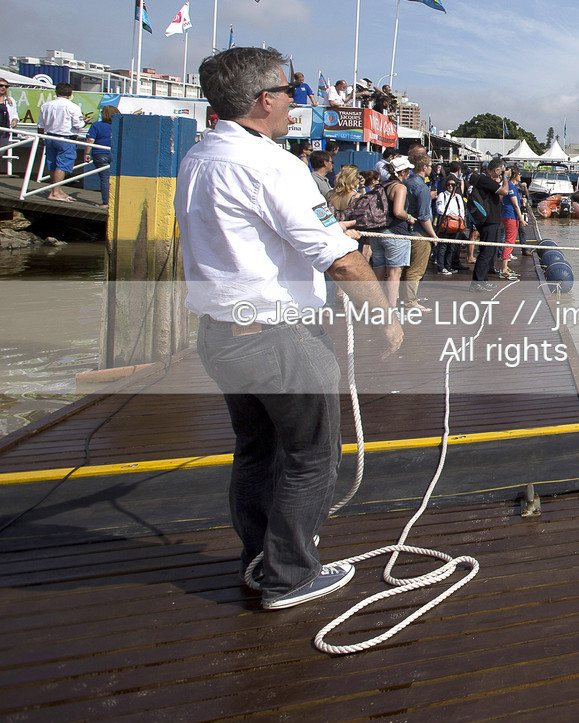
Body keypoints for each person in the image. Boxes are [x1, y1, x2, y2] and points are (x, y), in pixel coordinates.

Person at [174, 46, 400, 611]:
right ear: (261, 100)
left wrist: (324, 229)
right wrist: (384, 315)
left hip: (221, 334)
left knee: (255, 453)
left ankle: (260, 558)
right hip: (280, 337)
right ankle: (289, 575)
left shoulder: (200, 156)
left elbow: (247, 231)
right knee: (311, 457)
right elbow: (343, 262)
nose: (296, 98)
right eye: (288, 88)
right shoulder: (275, 165)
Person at [368, 156, 416, 310]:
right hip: (395, 233)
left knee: (379, 272)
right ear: (403, 172)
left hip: (378, 232)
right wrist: (410, 217)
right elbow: (398, 211)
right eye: (408, 171)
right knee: (394, 274)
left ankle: (374, 306)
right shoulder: (399, 187)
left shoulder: (381, 185)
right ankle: (390, 309)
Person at [400, 149, 439, 308]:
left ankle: (405, 298)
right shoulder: (421, 187)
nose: (430, 168)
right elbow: (424, 216)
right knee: (416, 270)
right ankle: (410, 301)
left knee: (405, 269)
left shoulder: (405, 183)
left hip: (405, 231)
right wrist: (433, 235)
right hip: (419, 233)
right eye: (430, 165)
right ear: (424, 167)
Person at [466, 158, 509, 291]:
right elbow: (505, 192)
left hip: (493, 220)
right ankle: (477, 282)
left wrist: (499, 182)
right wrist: (506, 178)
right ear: (496, 170)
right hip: (488, 221)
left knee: (490, 252)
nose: (501, 175)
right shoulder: (484, 179)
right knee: (485, 252)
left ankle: (483, 280)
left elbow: (498, 196)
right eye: (500, 172)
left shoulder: (487, 181)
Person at [39, 83, 85, 202]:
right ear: (70, 94)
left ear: (56, 92)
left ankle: (56, 190)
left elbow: (40, 125)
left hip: (49, 137)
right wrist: (84, 121)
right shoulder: (73, 107)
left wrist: (41, 138)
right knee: (62, 164)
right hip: (65, 138)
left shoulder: (46, 105)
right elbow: (78, 125)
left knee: (52, 163)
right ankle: (55, 192)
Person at [433, 176, 468, 274]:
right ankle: (441, 267)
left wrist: (462, 221)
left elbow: (461, 210)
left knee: (452, 247)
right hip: (446, 223)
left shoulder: (458, 197)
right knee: (443, 246)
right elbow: (440, 209)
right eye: (448, 184)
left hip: (456, 225)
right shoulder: (442, 195)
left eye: (452, 185)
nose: (450, 186)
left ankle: (448, 266)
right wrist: (452, 216)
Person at [85, 105, 117, 205]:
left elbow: (90, 140)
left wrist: (86, 153)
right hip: (116, 154)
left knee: (105, 179)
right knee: (117, 178)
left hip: (100, 154)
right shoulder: (119, 126)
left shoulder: (96, 125)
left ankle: (106, 203)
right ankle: (116, 202)